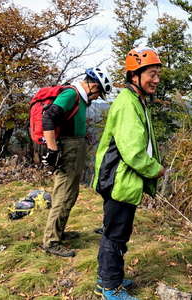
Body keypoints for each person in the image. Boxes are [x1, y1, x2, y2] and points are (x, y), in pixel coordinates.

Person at [92, 47, 165, 300]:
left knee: (115, 230)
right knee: (116, 234)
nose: (156, 80)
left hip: (121, 179)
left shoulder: (135, 100)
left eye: (158, 75)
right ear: (134, 76)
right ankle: (110, 288)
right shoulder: (128, 103)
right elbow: (133, 152)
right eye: (151, 74)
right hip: (119, 180)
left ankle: (106, 279)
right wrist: (156, 170)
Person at [42, 67, 113, 257]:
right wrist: (52, 150)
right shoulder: (70, 94)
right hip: (67, 150)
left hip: (75, 147)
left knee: (70, 194)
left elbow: (70, 122)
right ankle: (51, 242)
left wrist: (83, 135)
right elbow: (48, 118)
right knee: (63, 194)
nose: (98, 97)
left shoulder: (81, 99)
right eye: (99, 93)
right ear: (93, 86)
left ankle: (59, 233)